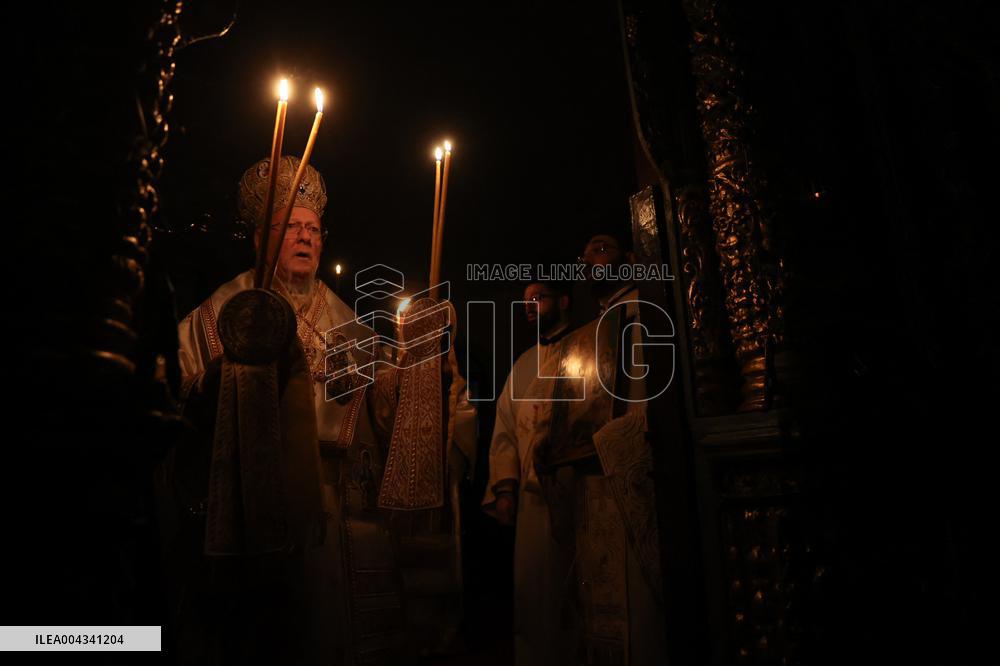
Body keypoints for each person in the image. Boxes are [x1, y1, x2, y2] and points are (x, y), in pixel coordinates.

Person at [165, 156, 410, 665]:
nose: (305, 237)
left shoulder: (351, 326)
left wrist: (413, 383)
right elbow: (179, 396)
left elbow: (385, 424)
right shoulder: (219, 314)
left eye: (313, 229)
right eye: (291, 227)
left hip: (333, 512)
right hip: (248, 503)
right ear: (260, 240)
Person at [527, 231, 668, 665]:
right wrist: (553, 446)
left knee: (641, 614)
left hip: (636, 477)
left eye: (601, 248)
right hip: (591, 486)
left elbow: (653, 401)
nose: (589, 259)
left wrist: (615, 438)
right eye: (584, 253)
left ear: (631, 256)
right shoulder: (583, 338)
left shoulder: (650, 311)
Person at [483, 280, 574, 665]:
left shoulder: (585, 347)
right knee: (532, 593)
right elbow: (504, 428)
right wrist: (505, 489)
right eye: (526, 302)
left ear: (564, 301)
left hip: (574, 497)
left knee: (571, 597)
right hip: (532, 506)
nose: (531, 307)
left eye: (540, 298)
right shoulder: (522, 365)